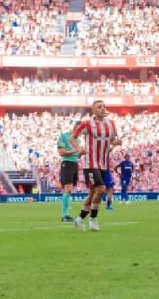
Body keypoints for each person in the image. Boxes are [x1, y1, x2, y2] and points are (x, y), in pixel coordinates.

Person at [70, 99, 121, 232]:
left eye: (104, 107)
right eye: (99, 107)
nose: (103, 109)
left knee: (93, 192)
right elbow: (72, 137)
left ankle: (80, 219)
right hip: (90, 163)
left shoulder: (111, 124)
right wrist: (78, 148)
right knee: (101, 189)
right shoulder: (87, 124)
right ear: (93, 110)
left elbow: (112, 141)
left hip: (104, 164)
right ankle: (93, 219)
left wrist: (117, 142)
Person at [56, 124, 84, 223]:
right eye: (79, 129)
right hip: (66, 163)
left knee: (70, 188)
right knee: (67, 188)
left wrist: (81, 153)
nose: (80, 132)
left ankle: (67, 214)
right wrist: (75, 150)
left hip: (74, 164)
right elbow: (61, 152)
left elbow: (77, 156)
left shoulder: (78, 140)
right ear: (75, 127)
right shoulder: (64, 136)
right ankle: (64, 215)